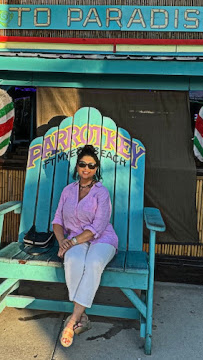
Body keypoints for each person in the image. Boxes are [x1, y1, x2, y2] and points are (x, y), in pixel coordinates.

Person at [52, 144, 118, 348]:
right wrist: (62, 241)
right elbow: (57, 220)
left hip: (102, 239)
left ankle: (72, 320)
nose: (86, 168)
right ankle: (83, 317)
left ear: (96, 168)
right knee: (72, 260)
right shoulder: (68, 190)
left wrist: (71, 242)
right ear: (77, 166)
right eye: (82, 164)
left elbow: (98, 226)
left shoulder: (101, 192)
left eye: (91, 165)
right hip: (75, 239)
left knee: (93, 263)